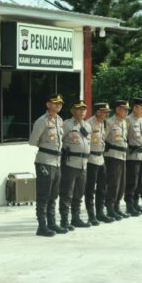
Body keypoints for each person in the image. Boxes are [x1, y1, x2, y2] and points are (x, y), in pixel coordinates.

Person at [29, 93, 66, 237]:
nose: (58, 106)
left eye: (60, 104)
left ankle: (52, 223)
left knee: (53, 195)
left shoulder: (59, 120)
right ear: (48, 104)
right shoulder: (42, 121)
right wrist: (45, 147)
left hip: (57, 162)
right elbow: (33, 141)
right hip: (45, 161)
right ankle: (42, 226)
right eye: (55, 103)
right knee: (44, 195)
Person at [59, 100, 92, 230]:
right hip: (70, 163)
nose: (82, 111)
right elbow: (58, 140)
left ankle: (76, 218)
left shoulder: (87, 126)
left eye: (84, 109)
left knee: (79, 193)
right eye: (79, 109)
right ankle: (64, 221)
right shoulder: (67, 124)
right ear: (73, 111)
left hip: (83, 164)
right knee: (67, 193)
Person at [85, 103, 113, 225]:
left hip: (101, 158)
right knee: (90, 189)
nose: (107, 114)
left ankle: (100, 213)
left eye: (108, 112)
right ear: (97, 112)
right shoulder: (89, 124)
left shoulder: (104, 123)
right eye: (104, 112)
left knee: (102, 187)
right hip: (91, 159)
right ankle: (91, 215)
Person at [103, 99, 130, 221]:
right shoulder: (109, 122)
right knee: (113, 183)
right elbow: (102, 139)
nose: (126, 111)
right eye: (124, 109)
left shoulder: (124, 123)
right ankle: (110, 207)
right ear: (118, 109)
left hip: (122, 156)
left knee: (121, 184)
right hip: (112, 156)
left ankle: (117, 206)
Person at [125, 98, 142, 216]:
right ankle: (129, 205)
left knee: (140, 181)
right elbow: (125, 138)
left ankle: (135, 203)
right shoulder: (128, 120)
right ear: (135, 108)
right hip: (132, 156)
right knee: (132, 182)